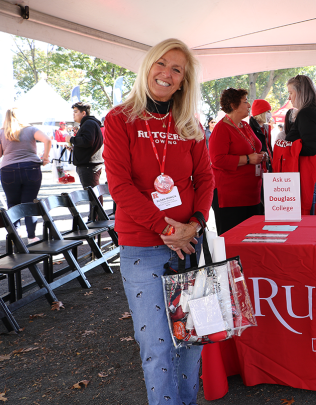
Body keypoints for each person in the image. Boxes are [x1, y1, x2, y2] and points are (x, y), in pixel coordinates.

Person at [103, 38, 214, 405]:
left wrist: (194, 225)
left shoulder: (188, 123)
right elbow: (119, 186)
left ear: (183, 81)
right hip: (143, 248)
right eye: (161, 64)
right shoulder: (120, 119)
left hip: (189, 245)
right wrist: (168, 229)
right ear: (148, 66)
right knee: (158, 348)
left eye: (177, 69)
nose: (166, 73)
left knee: (191, 338)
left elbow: (206, 179)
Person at [209, 88, 265, 234]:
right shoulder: (221, 128)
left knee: (254, 241)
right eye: (245, 102)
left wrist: (260, 155)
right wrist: (248, 159)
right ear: (233, 105)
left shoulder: (245, 125)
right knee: (233, 242)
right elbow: (217, 160)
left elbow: (253, 147)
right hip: (231, 198)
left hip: (252, 194)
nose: (249, 105)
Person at [0, 108, 51, 242]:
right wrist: (45, 158)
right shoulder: (31, 130)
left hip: (8, 170)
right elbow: (47, 140)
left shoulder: (2, 132)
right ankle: (32, 237)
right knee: (30, 203)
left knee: (12, 204)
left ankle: (15, 236)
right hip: (31, 168)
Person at [284, 74, 316, 214]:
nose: (289, 98)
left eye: (290, 93)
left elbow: (311, 148)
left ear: (300, 93)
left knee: (307, 222)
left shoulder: (306, 113)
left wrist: (289, 148)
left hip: (310, 176)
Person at [65, 102, 104, 197]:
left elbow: (87, 141)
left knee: (93, 195)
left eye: (75, 111)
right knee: (93, 194)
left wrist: (71, 139)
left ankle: (97, 212)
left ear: (83, 113)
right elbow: (89, 144)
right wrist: (74, 149)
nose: (73, 114)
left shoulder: (88, 123)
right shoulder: (89, 123)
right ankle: (96, 212)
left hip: (88, 166)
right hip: (89, 164)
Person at [249, 99, 273, 165]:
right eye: (268, 111)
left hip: (267, 166)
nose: (270, 114)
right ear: (261, 113)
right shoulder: (250, 129)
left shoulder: (266, 128)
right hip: (257, 167)